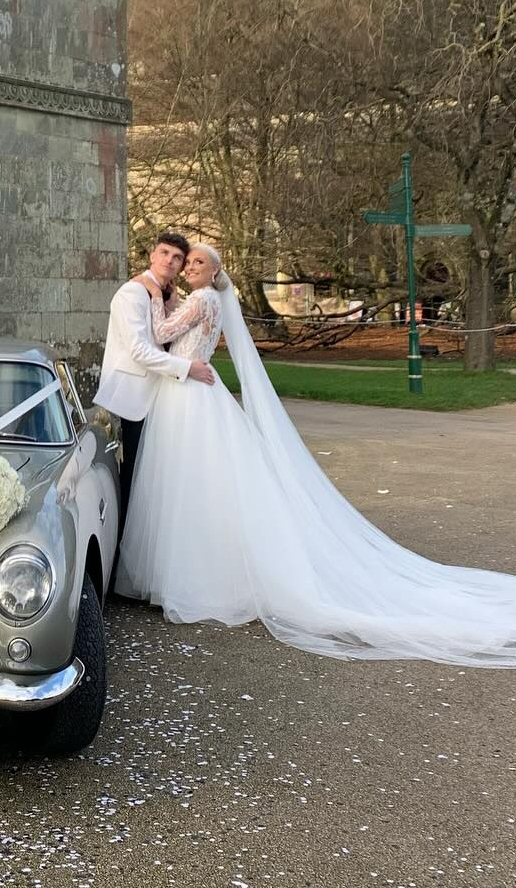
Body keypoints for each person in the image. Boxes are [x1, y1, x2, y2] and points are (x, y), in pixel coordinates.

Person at [116, 242, 516, 667]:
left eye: (198, 263)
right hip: (193, 394)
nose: (189, 267)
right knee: (197, 489)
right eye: (187, 261)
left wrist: (155, 294)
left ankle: (189, 582)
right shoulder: (209, 299)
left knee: (189, 487)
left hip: (189, 398)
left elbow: (158, 336)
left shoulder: (200, 299)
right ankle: (189, 578)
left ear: (213, 273)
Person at [92, 234, 216, 536]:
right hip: (135, 398)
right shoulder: (131, 294)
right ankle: (121, 547)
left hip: (161, 396)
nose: (170, 262)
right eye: (164, 253)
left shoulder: (169, 294)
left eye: (178, 258)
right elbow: (140, 350)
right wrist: (188, 369)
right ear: (152, 256)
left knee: (153, 481)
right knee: (132, 479)